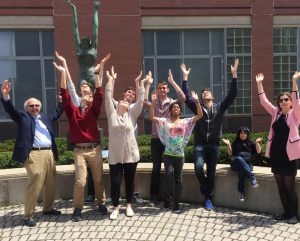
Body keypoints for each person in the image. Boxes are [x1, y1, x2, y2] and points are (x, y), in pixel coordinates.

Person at [54, 53, 110, 222]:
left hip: (94, 149)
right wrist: (64, 68)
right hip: (79, 150)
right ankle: (77, 208)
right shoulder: (73, 111)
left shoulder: (94, 110)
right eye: (82, 87)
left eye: (87, 87)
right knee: (80, 181)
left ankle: (101, 203)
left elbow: (100, 91)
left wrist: (97, 72)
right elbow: (65, 92)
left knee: (99, 180)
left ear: (91, 96)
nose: (84, 87)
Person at [1, 80, 63, 227]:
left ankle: (48, 208)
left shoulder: (45, 118)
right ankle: (28, 215)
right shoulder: (23, 117)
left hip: (49, 154)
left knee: (50, 183)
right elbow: (11, 110)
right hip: (34, 155)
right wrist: (5, 96)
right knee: (34, 183)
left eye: (36, 105)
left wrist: (61, 102)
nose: (34, 107)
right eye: (31, 106)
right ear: (27, 108)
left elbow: (57, 113)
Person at [181, 59, 239, 211]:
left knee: (212, 172)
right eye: (203, 92)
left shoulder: (219, 107)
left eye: (208, 91)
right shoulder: (198, 108)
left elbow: (232, 95)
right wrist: (185, 78)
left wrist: (234, 76)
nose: (206, 92)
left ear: (212, 97)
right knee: (198, 167)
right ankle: (206, 187)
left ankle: (208, 198)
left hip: (214, 144)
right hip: (200, 144)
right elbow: (186, 97)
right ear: (201, 98)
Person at [256, 72, 300, 224]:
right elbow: (263, 101)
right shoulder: (276, 113)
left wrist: (294, 82)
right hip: (276, 155)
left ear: (290, 101)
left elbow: (296, 100)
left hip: (289, 156)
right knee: (280, 187)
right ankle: (286, 213)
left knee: (290, 188)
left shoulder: (296, 114)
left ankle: (295, 215)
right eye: (280, 100)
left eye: (286, 99)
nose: (283, 102)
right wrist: (259, 83)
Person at [149, 89, 203, 213]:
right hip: (168, 154)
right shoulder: (165, 122)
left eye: (178, 107)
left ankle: (176, 204)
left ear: (180, 110)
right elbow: (151, 117)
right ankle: (168, 198)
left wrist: (196, 101)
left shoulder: (185, 122)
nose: (176, 108)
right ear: (171, 110)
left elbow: (200, 115)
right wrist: (153, 102)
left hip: (179, 155)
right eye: (174, 107)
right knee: (168, 176)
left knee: (178, 179)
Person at [105, 66, 147, 220]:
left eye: (128, 102)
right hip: (115, 155)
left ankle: (129, 205)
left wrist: (139, 83)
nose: (125, 102)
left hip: (131, 155)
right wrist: (111, 80)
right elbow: (107, 97)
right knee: (115, 182)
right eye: (122, 100)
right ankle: (115, 207)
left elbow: (141, 100)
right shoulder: (111, 114)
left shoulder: (132, 115)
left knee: (130, 182)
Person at [144, 69, 186, 205]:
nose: (162, 90)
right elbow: (145, 101)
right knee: (156, 167)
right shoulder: (154, 102)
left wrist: (172, 82)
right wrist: (148, 84)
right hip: (156, 139)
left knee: (172, 170)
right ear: (157, 90)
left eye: (164, 88)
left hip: (170, 140)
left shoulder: (172, 103)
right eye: (160, 88)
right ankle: (154, 195)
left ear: (167, 90)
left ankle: (171, 196)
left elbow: (183, 98)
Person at [222, 127, 262, 202]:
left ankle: (242, 193)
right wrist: (228, 145)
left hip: (247, 164)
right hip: (235, 163)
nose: (243, 135)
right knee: (239, 159)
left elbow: (259, 152)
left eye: (245, 133)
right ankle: (252, 177)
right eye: (241, 133)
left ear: (247, 134)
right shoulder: (235, 142)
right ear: (239, 134)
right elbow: (230, 153)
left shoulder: (251, 142)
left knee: (242, 171)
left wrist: (257, 143)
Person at [67, 0, 100, 87]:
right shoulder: (79, 48)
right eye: (83, 40)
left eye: (86, 40)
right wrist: (73, 10)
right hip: (82, 76)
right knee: (82, 95)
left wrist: (96, 10)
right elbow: (75, 29)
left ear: (89, 42)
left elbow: (95, 27)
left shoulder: (93, 48)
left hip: (92, 75)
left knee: (95, 97)